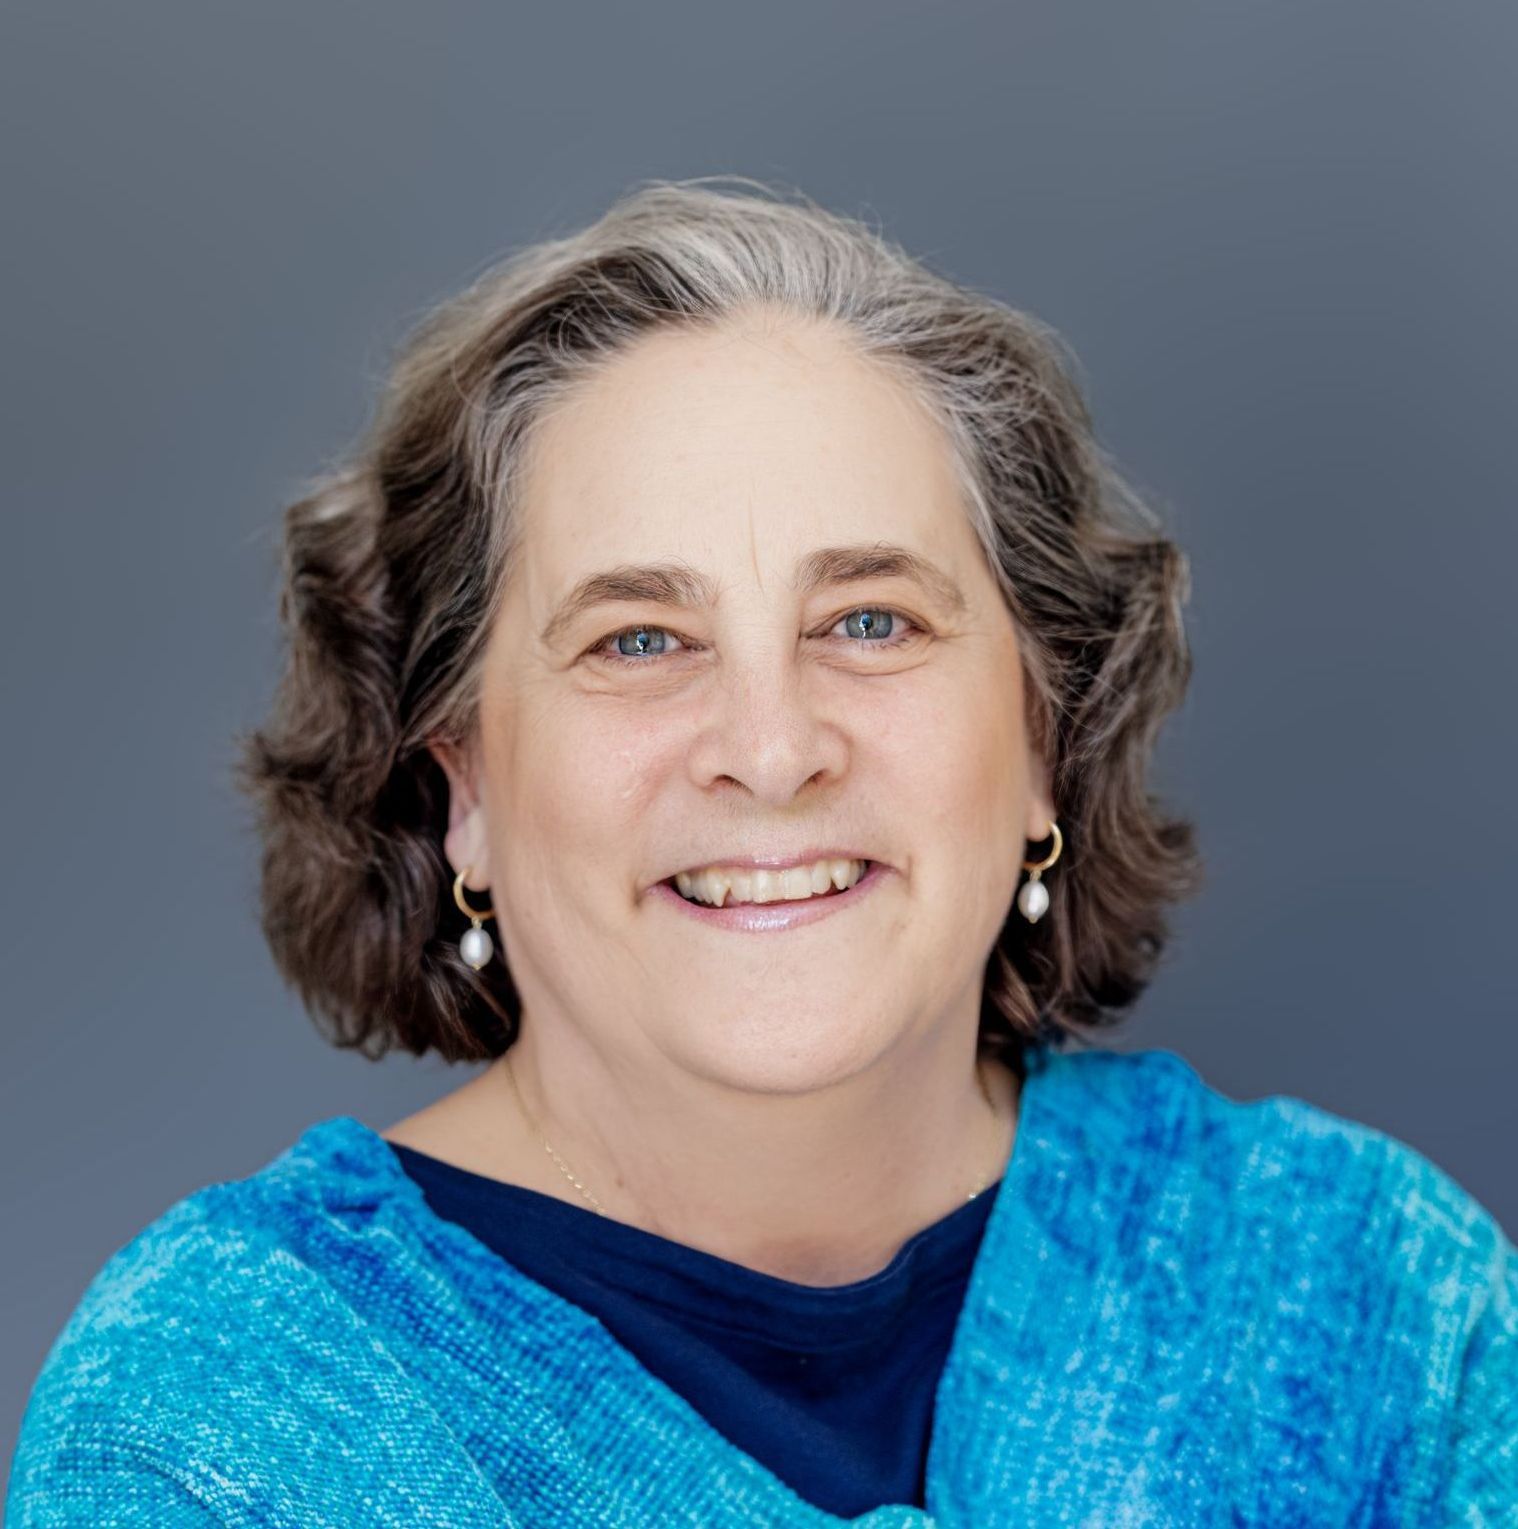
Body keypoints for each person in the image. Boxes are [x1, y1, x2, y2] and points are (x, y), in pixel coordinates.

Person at [7, 176, 1513, 1527]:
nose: (773, 744)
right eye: (638, 637)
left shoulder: (1370, 1300)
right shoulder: (208, 1435)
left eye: (870, 620)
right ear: (458, 780)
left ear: (1044, 736)